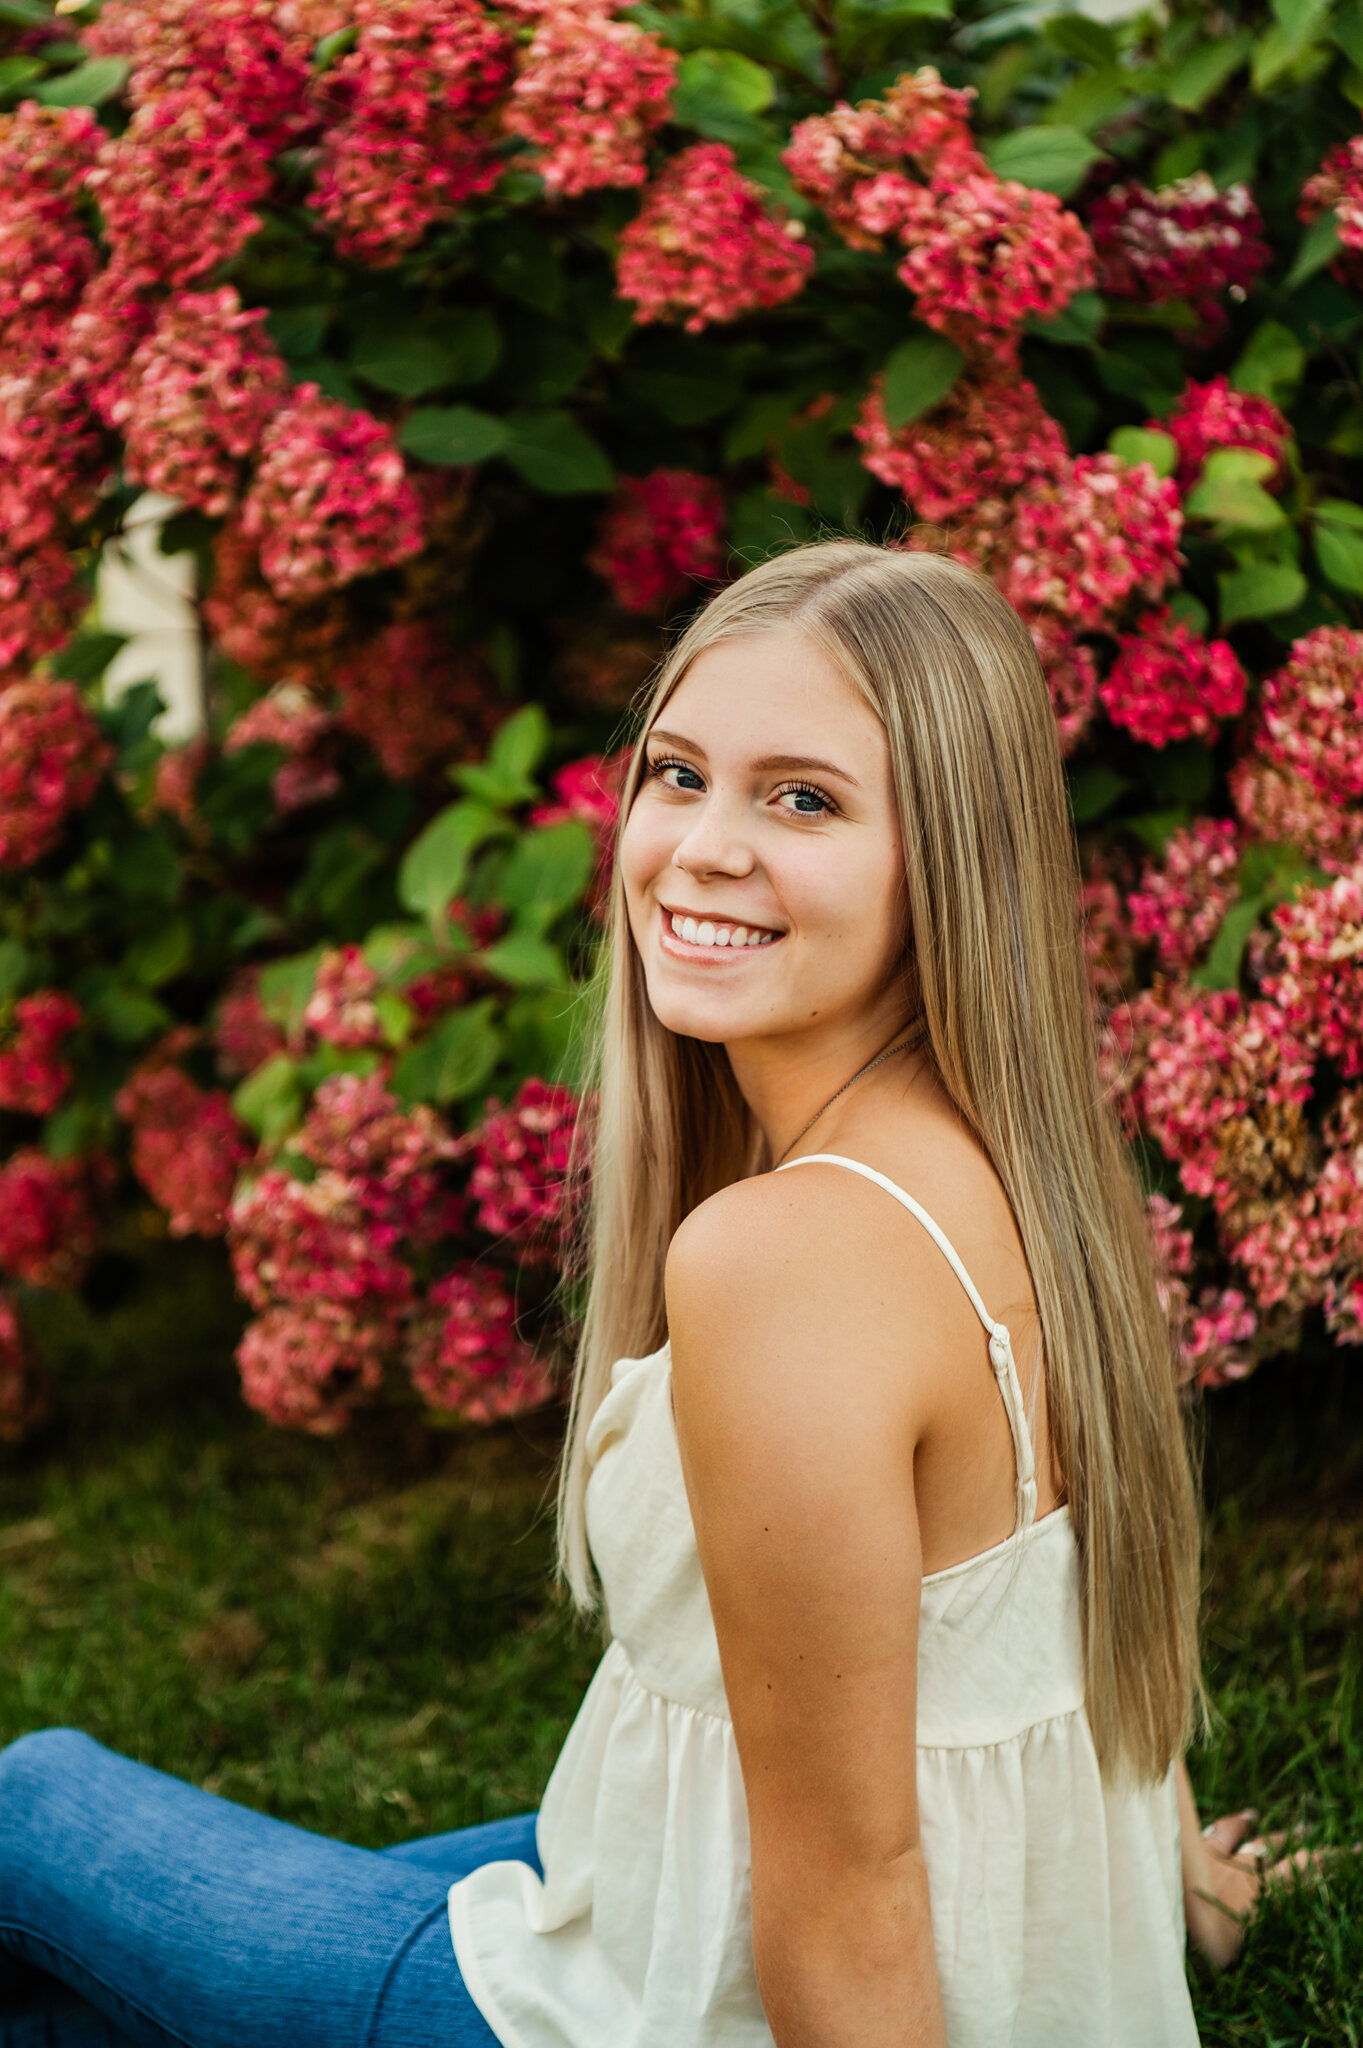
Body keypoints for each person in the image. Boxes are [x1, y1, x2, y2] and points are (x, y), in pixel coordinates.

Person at [0, 542, 1320, 2048]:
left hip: (660, 2008)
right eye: (679, 773)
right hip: (663, 1879)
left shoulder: (788, 1256)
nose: (699, 845)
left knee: (30, 1801)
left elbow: (851, 1891)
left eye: (803, 798)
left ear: (950, 860)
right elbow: (1049, 1624)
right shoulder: (1021, 1165)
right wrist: (1159, 1892)